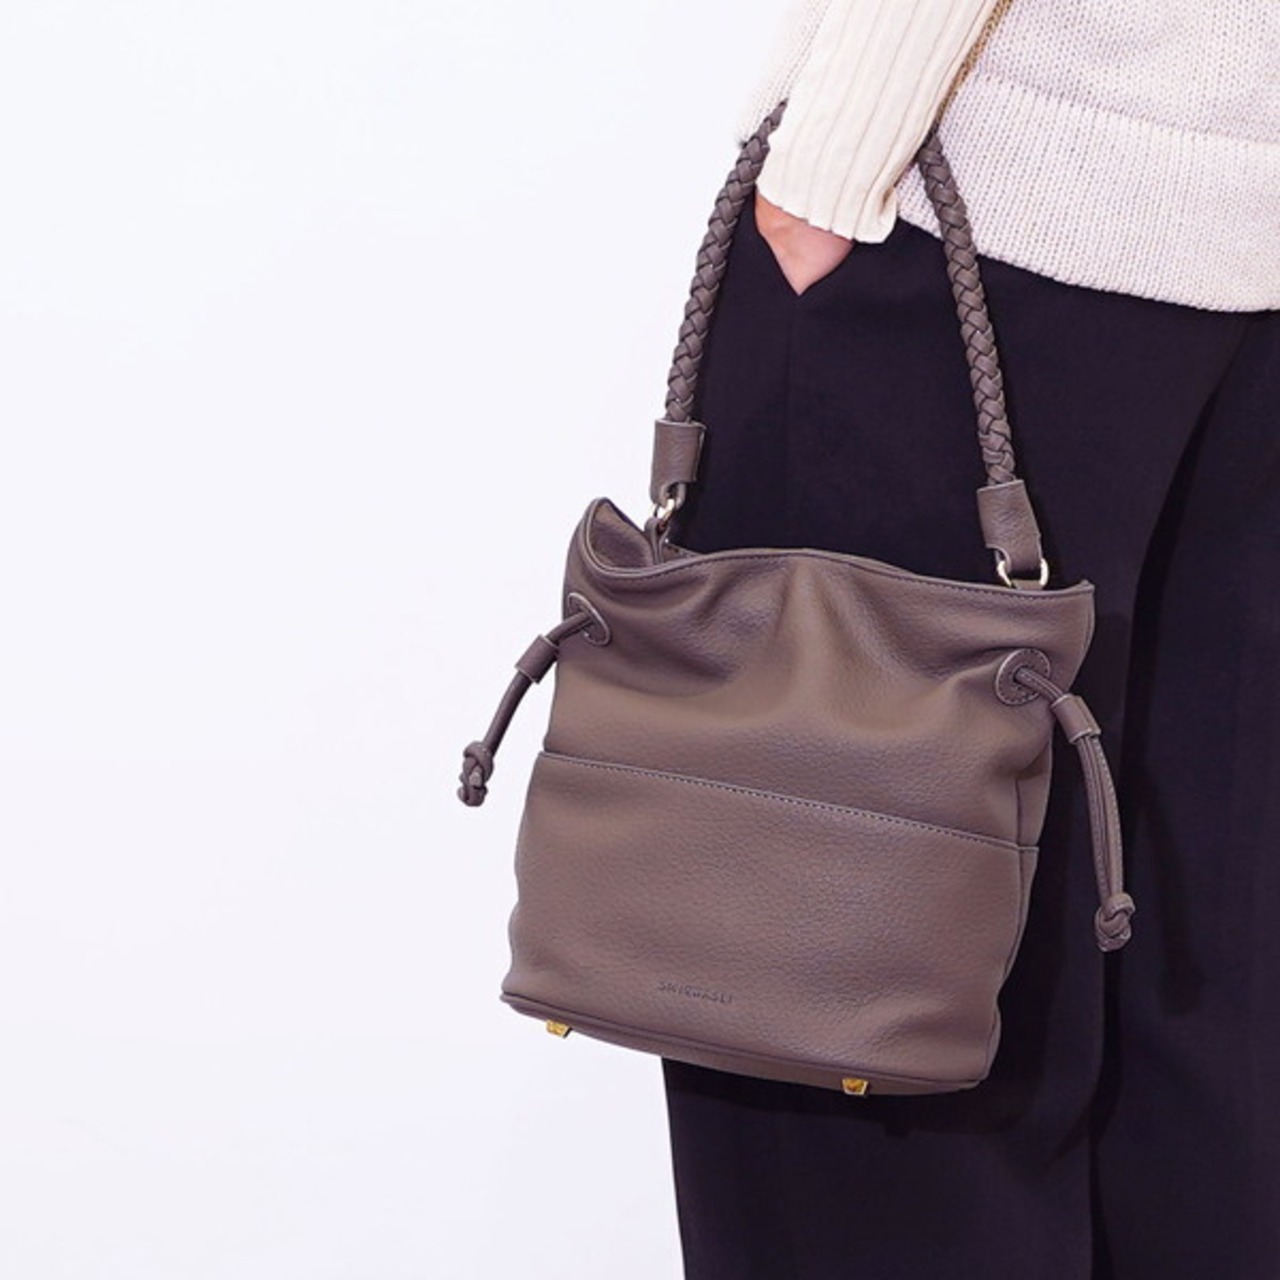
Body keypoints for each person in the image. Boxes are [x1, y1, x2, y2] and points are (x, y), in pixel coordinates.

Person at [659, 2, 1280, 1277]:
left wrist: (838, 153)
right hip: (1242, 245)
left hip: (983, 202)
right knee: (1197, 1006)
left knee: (835, 1025)